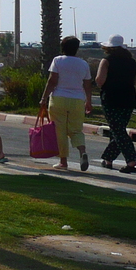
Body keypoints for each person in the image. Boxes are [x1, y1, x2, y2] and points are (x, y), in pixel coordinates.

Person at [41, 35, 93, 170]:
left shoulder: (58, 60)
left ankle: (63, 161)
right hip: (77, 100)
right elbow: (87, 84)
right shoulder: (83, 64)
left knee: (60, 131)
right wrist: (89, 101)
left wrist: (44, 98)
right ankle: (82, 152)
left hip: (59, 98)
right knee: (76, 129)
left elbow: (52, 81)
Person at [96, 34, 136, 173]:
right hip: (128, 98)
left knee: (118, 131)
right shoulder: (132, 62)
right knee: (118, 130)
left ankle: (131, 161)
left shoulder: (106, 61)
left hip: (111, 98)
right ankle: (108, 159)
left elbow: (100, 79)